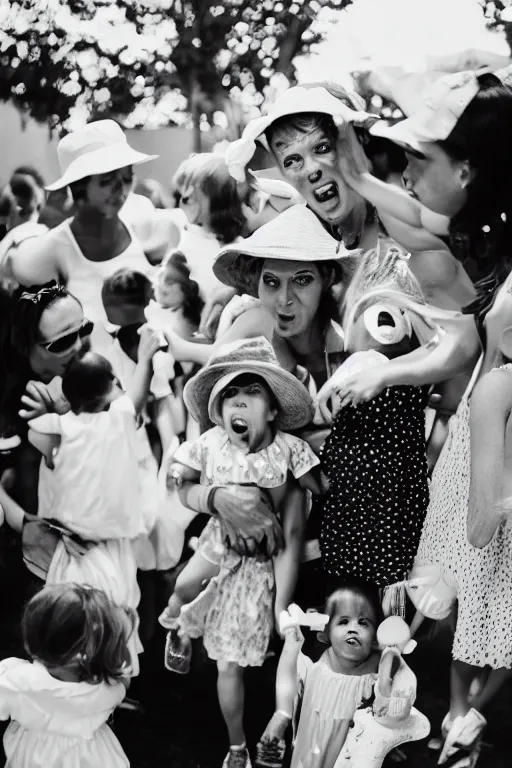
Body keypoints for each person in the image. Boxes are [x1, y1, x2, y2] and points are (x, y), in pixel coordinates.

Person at [381, 71, 512, 765]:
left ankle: (469, 718)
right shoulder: (483, 232)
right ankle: (461, 715)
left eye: (420, 159)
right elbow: (425, 221)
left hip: (499, 427)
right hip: (477, 428)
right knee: (469, 588)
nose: (406, 172)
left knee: (500, 592)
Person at [159, 337, 319, 768]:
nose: (239, 403)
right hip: (216, 540)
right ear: (217, 410)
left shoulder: (289, 450)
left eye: (251, 393)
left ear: (272, 410)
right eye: (230, 394)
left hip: (259, 567)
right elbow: (181, 477)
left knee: (233, 663)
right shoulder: (211, 443)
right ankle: (178, 625)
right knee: (184, 585)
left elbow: (315, 493)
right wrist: (188, 479)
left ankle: (239, 745)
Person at [2, 326, 162, 675]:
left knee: (73, 617)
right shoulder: (117, 421)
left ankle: (73, 676)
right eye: (116, 383)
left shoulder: (60, 428)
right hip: (105, 549)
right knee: (110, 615)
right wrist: (146, 358)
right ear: (108, 392)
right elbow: (136, 395)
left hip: (73, 547)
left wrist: (62, 412)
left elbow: (37, 432)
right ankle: (105, 681)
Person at [319, 246, 435, 613]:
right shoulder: (361, 361)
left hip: (396, 495)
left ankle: (389, 651)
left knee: (390, 589)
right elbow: (326, 406)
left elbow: (441, 343)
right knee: (354, 590)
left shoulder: (417, 366)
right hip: (356, 497)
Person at [9, 120, 160, 357]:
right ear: (79, 187)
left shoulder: (141, 214)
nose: (121, 190)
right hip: (94, 384)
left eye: (127, 177)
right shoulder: (56, 247)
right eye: (107, 181)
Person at [0, 583, 133, 767]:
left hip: (34, 755)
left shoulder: (15, 681)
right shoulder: (104, 689)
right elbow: (123, 682)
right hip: (91, 757)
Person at [256, 584, 383, 768]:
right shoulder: (314, 669)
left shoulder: (377, 676)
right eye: (343, 621)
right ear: (326, 633)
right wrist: (292, 646)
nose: (353, 628)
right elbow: (288, 678)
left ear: (375, 639)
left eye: (363, 623)